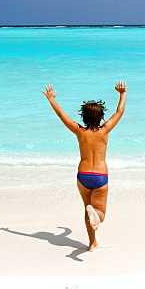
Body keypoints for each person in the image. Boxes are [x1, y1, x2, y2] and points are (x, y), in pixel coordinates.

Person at [42, 81, 127, 250]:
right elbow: (119, 112)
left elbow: (62, 115)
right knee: (100, 212)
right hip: (100, 176)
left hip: (83, 176)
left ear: (83, 116)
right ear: (101, 116)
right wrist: (122, 94)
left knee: (87, 208)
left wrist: (51, 99)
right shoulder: (105, 130)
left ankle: (92, 243)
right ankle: (96, 217)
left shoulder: (79, 131)